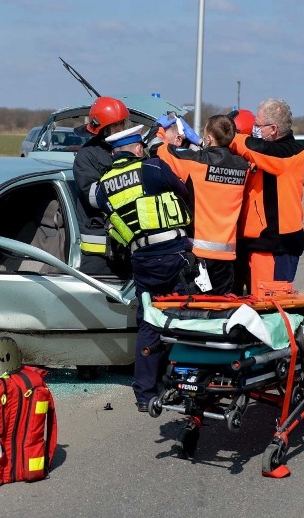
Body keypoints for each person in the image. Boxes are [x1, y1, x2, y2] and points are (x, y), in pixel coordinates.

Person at [92, 125, 192, 412]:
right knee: (184, 319)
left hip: (142, 260)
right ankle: (182, 385)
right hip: (171, 255)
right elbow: (182, 192)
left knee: (148, 323)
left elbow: (107, 210)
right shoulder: (152, 168)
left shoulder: (103, 186)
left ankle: (145, 394)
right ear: (137, 148)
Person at [157, 114, 250, 295]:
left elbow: (162, 151)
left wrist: (160, 129)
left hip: (200, 253)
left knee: (199, 310)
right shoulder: (243, 166)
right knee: (222, 308)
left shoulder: (196, 161)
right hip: (228, 255)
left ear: (208, 138)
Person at [229, 98, 304, 295]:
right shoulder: (268, 152)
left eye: (258, 126)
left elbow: (256, 149)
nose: (254, 130)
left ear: (273, 128)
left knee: (270, 307)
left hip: (277, 245)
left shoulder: (288, 153)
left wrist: (228, 135)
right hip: (256, 243)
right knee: (253, 305)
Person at [72, 96, 130, 276]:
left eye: (123, 124)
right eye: (117, 125)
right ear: (104, 130)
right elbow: (92, 197)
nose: (122, 129)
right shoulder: (86, 156)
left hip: (124, 247)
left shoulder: (125, 150)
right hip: (98, 255)